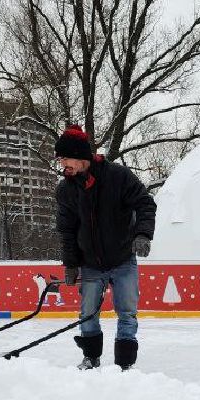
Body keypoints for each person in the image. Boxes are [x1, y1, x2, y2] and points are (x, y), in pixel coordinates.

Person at [53, 124, 157, 370]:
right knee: (87, 312)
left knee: (127, 313)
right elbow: (67, 231)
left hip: (123, 259)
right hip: (90, 263)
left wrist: (143, 234)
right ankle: (91, 357)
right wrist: (71, 264)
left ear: (80, 157)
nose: (62, 165)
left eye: (65, 158)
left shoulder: (118, 177)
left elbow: (145, 203)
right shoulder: (66, 190)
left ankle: (124, 363)